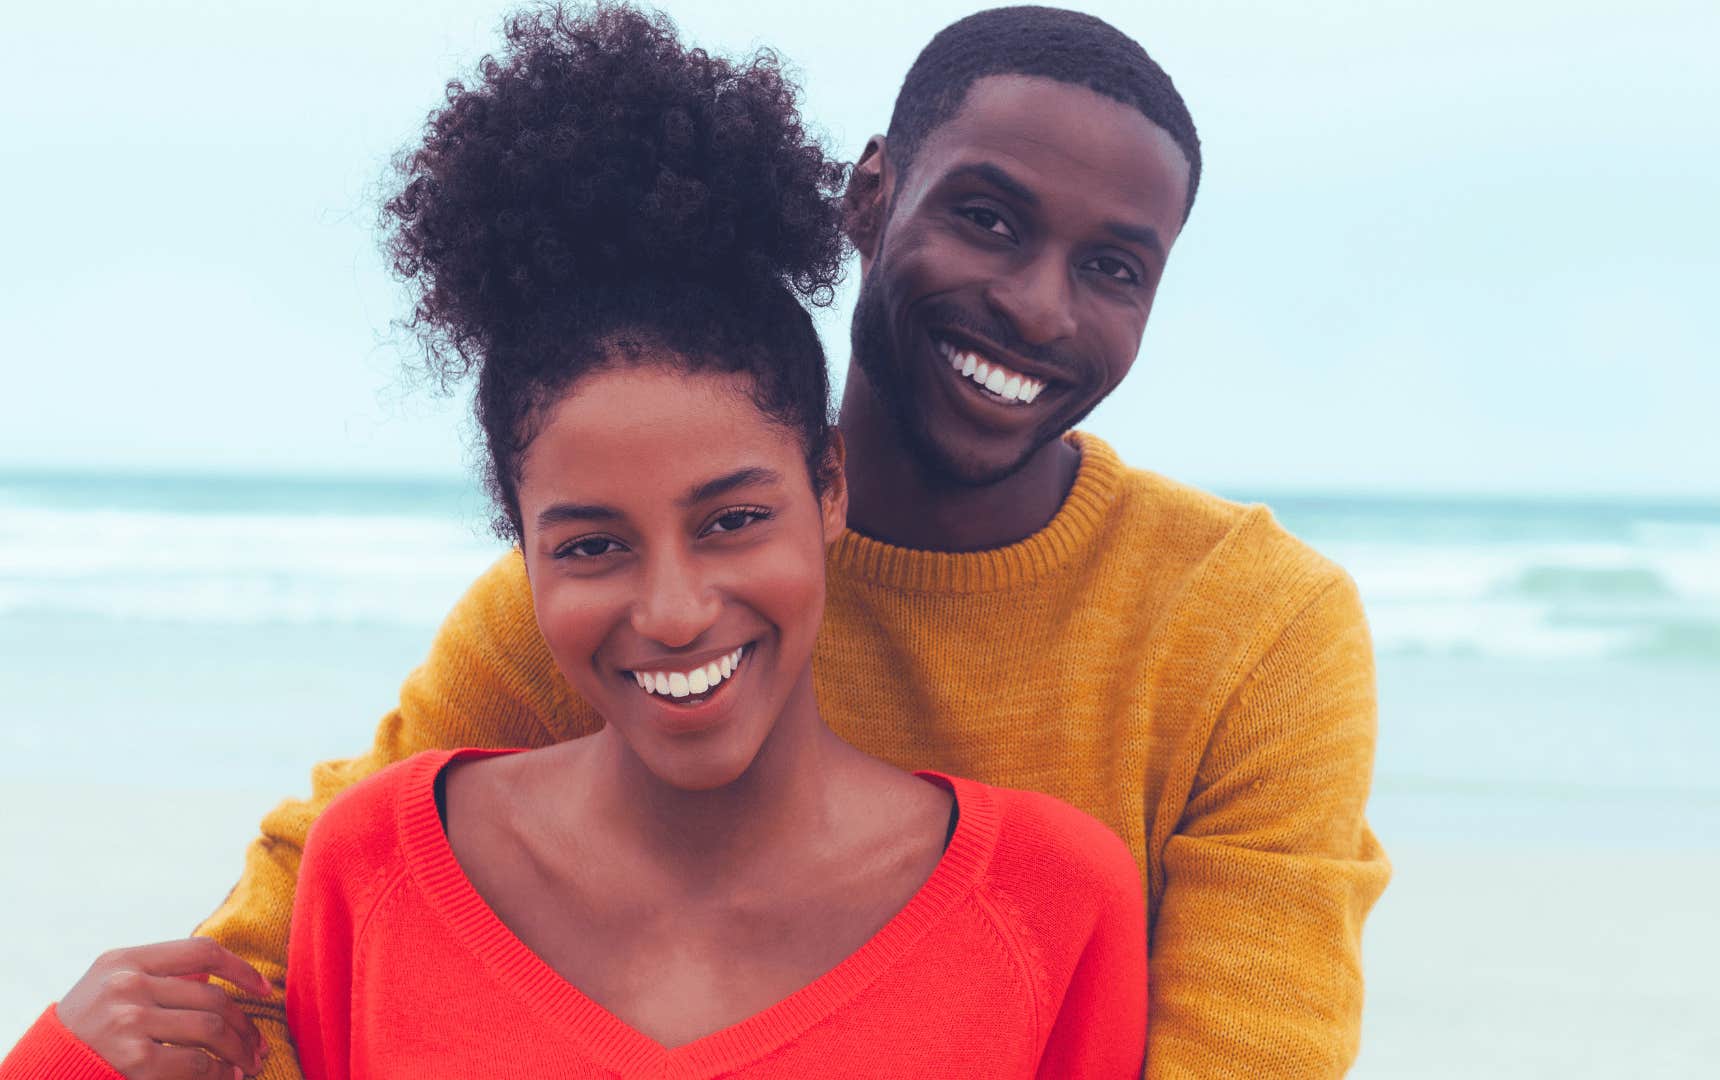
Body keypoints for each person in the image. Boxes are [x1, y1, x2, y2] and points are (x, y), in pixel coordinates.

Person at [17, 4, 1391, 1077]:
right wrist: (87, 1045)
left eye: (1113, 268)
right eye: (986, 217)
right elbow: (323, 928)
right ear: (868, 196)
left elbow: (1255, 1051)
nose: (1036, 307)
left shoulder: (1255, 627)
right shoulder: (612, 599)